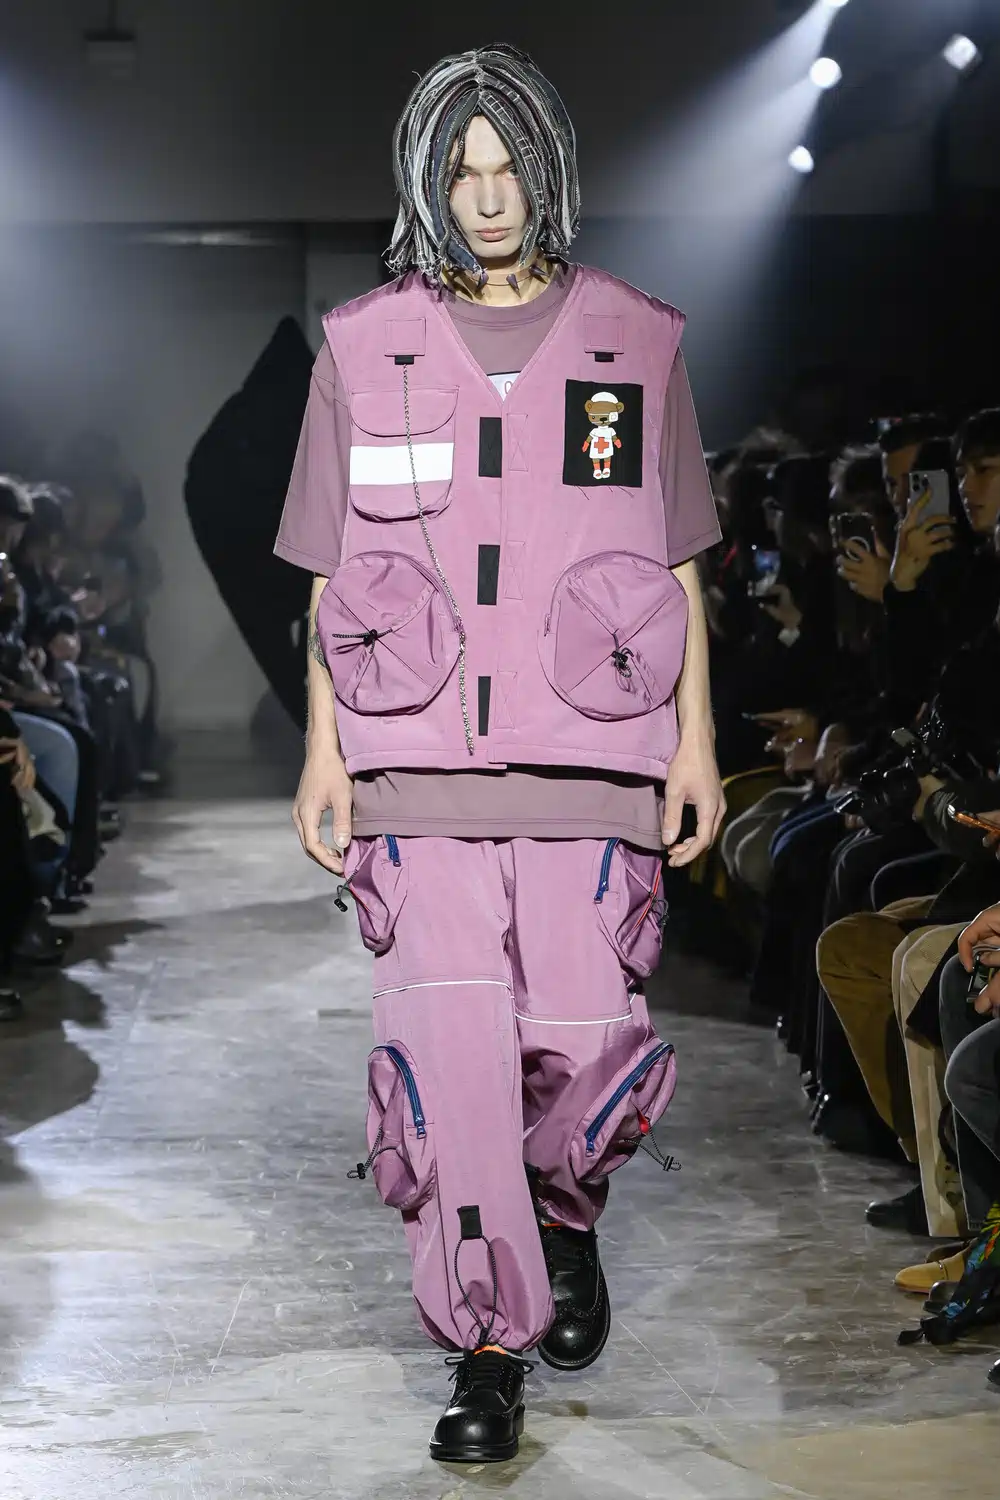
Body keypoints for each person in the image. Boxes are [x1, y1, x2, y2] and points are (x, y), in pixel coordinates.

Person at [274, 44, 724, 1464]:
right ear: (428, 179)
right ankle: (485, 1345)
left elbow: (680, 557)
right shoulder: (365, 346)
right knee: (453, 1063)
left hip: (594, 751)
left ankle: (561, 1214)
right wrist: (324, 753)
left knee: (589, 1041)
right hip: (417, 761)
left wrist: (698, 748)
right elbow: (329, 574)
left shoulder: (635, 341)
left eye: (507, 167)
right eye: (461, 171)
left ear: (550, 171)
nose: (485, 197)